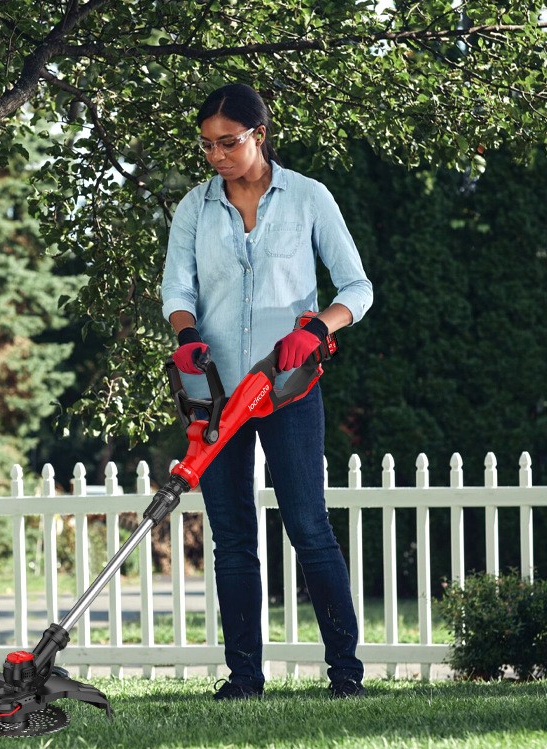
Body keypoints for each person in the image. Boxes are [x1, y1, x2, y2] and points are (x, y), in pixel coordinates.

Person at [161, 83, 373, 700]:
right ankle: (244, 678)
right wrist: (187, 336)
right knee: (232, 537)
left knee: (308, 526)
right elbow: (178, 290)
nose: (217, 156)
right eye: (207, 146)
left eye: (228, 142)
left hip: (287, 390)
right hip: (217, 394)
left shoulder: (308, 198)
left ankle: (346, 674)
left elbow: (357, 288)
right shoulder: (195, 208)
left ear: (259, 134)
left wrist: (317, 330)